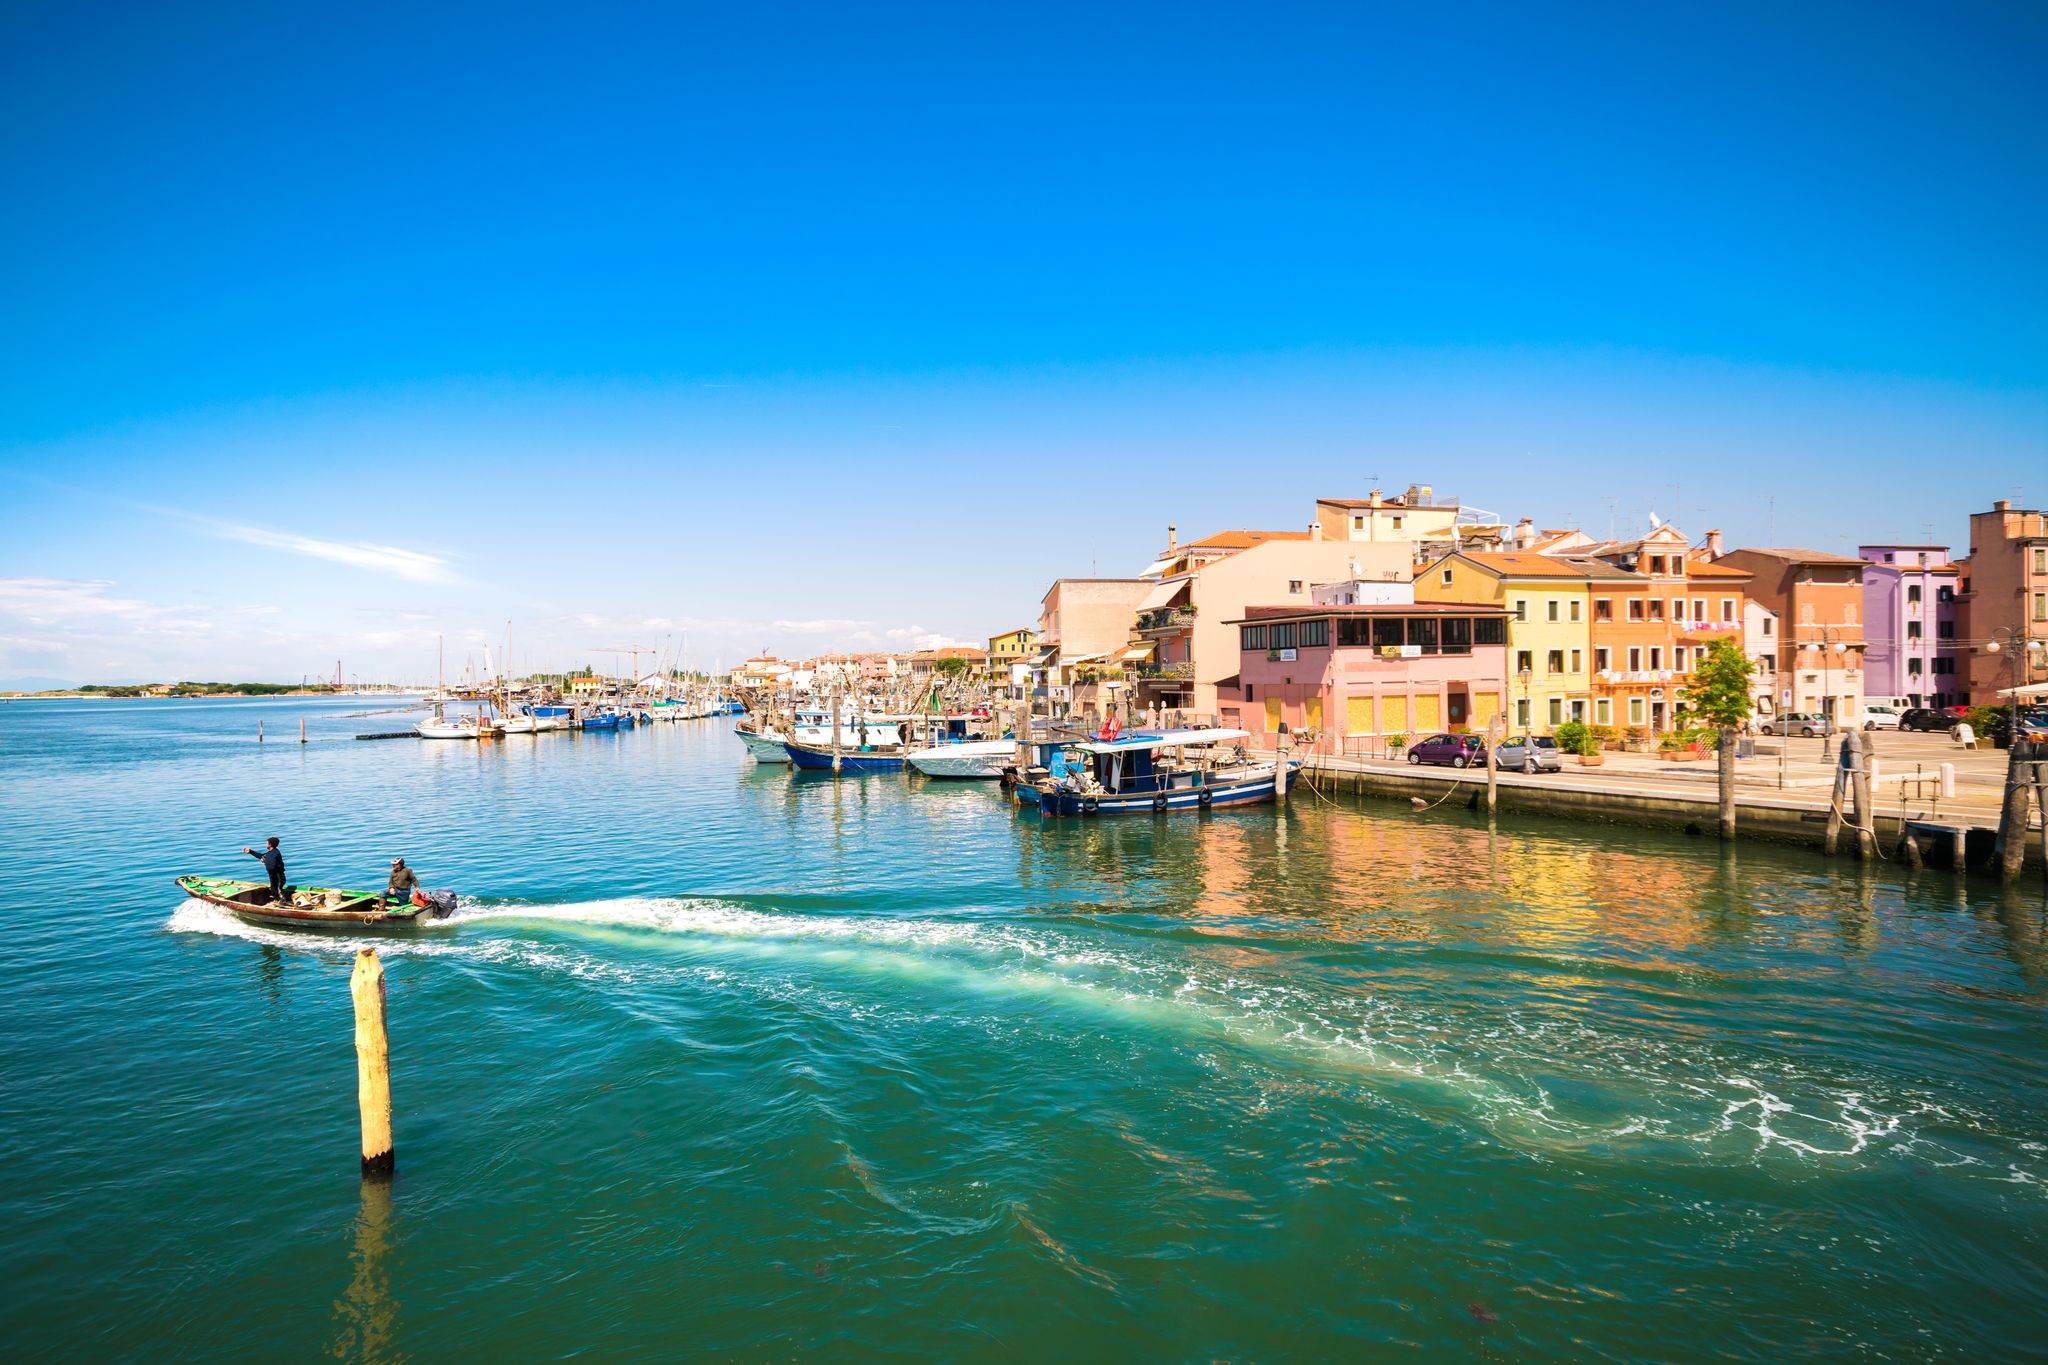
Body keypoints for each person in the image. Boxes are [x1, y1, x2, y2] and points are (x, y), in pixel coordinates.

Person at [243, 837, 287, 904]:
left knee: (278, 892)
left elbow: (271, 864)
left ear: (270, 844)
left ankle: (282, 904)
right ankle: (276, 900)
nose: (266, 844)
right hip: (273, 877)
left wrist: (265, 861)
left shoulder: (275, 853)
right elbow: (262, 856)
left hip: (278, 877)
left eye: (267, 843)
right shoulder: (270, 853)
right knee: (273, 890)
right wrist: (251, 852)